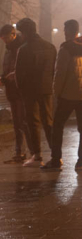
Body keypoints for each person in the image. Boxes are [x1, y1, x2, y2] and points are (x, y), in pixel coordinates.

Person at [45, 20, 82, 171]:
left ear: (67, 30)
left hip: (68, 94)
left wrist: (56, 93)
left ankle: (56, 159)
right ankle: (81, 162)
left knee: (58, 125)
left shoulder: (65, 49)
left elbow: (60, 73)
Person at [14, 18, 56, 167]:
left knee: (33, 122)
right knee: (48, 122)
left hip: (29, 91)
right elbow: (53, 70)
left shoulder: (24, 49)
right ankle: (55, 154)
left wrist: (21, 91)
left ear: (25, 32)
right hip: (46, 89)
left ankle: (37, 155)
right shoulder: (50, 47)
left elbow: (19, 74)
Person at [1, 24, 32, 163]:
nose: (4, 40)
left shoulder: (20, 48)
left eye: (6, 37)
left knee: (23, 122)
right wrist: (3, 78)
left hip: (19, 90)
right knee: (17, 122)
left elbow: (18, 70)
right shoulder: (8, 50)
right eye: (2, 38)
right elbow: (7, 69)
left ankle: (32, 152)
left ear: (13, 35)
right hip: (11, 90)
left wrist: (10, 77)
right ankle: (20, 152)